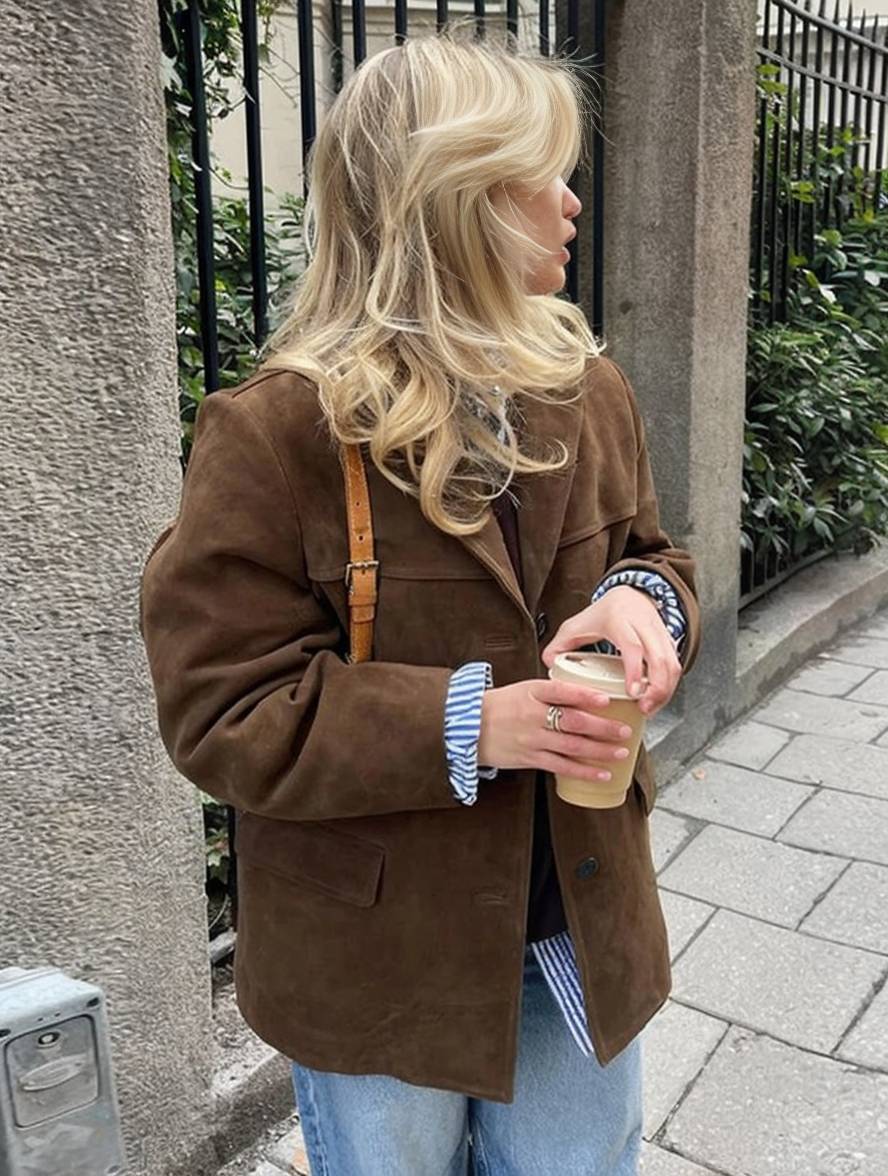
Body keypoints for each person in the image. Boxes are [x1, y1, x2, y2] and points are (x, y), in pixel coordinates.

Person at [139, 22, 701, 1176]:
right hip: (378, 956)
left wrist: (645, 601)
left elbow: (653, 554)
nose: (572, 202)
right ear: (458, 199)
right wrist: (473, 722)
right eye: (542, 174)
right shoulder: (277, 432)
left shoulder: (587, 389)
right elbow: (221, 708)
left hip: (577, 921)